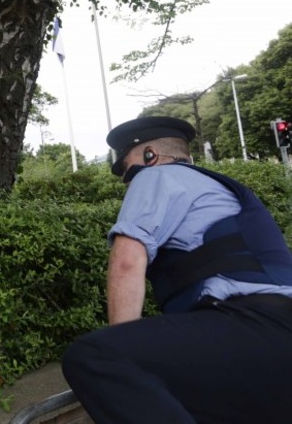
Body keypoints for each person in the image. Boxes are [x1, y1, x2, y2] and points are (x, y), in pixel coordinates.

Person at [61, 116, 292, 424]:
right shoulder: (210, 187)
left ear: (149, 156)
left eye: (126, 169)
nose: (125, 182)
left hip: (258, 324)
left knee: (95, 356)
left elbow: (127, 261)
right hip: (268, 337)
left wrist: (125, 347)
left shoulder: (155, 176)